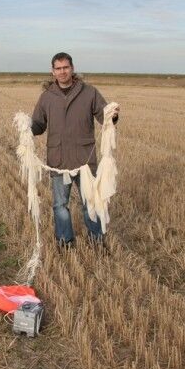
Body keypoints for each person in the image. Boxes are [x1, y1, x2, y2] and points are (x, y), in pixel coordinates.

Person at [30, 52, 119, 248]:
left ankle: (96, 240)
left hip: (85, 160)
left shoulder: (89, 93)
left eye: (66, 67)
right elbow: (38, 125)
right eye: (58, 68)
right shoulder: (46, 97)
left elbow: (104, 117)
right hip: (58, 160)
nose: (62, 72)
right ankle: (65, 241)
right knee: (60, 206)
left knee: (91, 203)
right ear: (52, 71)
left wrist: (112, 115)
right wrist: (26, 127)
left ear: (72, 68)